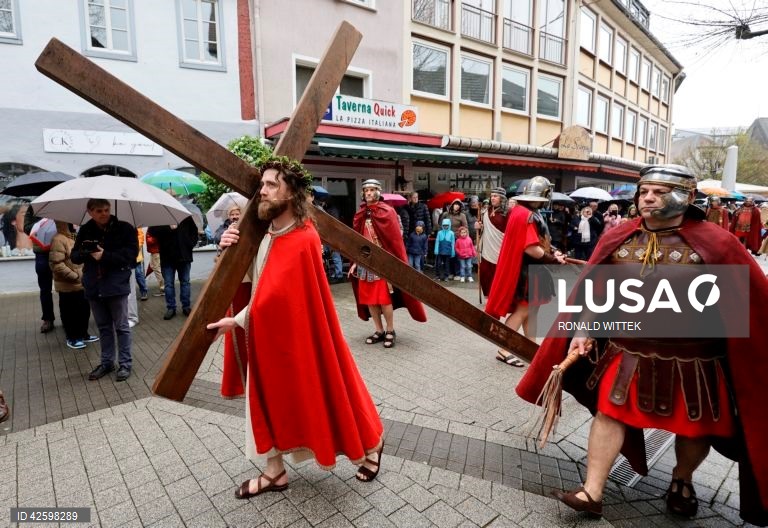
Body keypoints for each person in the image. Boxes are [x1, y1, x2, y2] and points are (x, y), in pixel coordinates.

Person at [517, 165, 768, 525]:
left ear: (685, 197)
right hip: (627, 350)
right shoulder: (620, 236)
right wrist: (582, 332)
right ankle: (593, 491)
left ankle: (682, 481)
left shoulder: (717, 242)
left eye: (659, 191)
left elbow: (747, 302)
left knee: (693, 426)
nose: (648, 197)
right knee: (609, 413)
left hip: (694, 358)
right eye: (644, 191)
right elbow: (596, 292)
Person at [206, 158, 385, 497]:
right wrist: (228, 248)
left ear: (293, 193)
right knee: (266, 399)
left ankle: (371, 446)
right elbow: (252, 283)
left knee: (332, 390)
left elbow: (277, 298)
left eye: (272, 185)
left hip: (295, 338)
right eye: (263, 185)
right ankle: (274, 472)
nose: (264, 191)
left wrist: (237, 321)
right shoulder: (262, 234)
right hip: (264, 338)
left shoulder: (304, 238)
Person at [485, 176, 566, 367]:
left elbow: (539, 241)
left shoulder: (523, 212)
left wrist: (553, 251)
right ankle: (503, 349)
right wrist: (554, 259)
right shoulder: (527, 215)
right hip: (528, 272)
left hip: (532, 271)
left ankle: (531, 348)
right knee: (523, 311)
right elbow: (531, 249)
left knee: (533, 312)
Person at [350, 179, 427, 349]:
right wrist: (355, 262)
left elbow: (394, 240)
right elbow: (356, 241)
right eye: (366, 190)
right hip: (364, 262)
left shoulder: (387, 211)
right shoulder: (361, 213)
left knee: (384, 299)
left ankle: (390, 330)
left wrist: (392, 263)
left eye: (371, 190)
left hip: (382, 263)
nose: (368, 193)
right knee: (370, 300)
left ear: (378, 191)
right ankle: (378, 330)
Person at [71, 199, 138, 382]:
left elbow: (130, 256)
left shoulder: (125, 228)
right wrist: (87, 252)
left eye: (107, 210)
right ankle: (107, 362)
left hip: (116, 285)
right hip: (93, 285)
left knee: (122, 327)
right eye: (99, 211)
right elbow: (74, 256)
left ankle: (125, 364)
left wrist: (104, 255)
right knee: (103, 327)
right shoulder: (85, 229)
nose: (104, 214)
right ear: (90, 211)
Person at [49, 221, 98, 349]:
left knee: (84, 310)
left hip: (81, 284)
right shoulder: (58, 239)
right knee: (70, 312)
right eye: (71, 224)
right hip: (68, 286)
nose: (75, 225)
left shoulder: (74, 238)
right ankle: (72, 337)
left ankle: (83, 334)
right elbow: (56, 264)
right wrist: (75, 276)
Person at [148, 216, 198, 320]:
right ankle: (171, 308)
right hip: (167, 257)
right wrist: (168, 227)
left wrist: (189, 244)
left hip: (184, 256)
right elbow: (152, 232)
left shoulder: (185, 215)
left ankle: (186, 307)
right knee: (169, 284)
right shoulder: (161, 216)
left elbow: (194, 231)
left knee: (185, 282)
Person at [23, 205, 55, 332]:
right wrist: (42, 224)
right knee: (45, 288)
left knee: (66, 286)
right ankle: (48, 319)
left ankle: (67, 318)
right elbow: (26, 228)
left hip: (61, 249)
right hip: (42, 251)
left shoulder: (62, 202)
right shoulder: (34, 206)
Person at [475, 187, 509, 298]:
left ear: (502, 198)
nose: (492, 198)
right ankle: (489, 297)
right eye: (492, 196)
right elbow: (482, 229)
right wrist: (478, 227)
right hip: (487, 248)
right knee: (485, 273)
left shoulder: (507, 213)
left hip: (500, 247)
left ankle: (498, 298)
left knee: (498, 275)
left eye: (496, 196)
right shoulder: (486, 211)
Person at [145, 229, 165, 296]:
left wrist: (148, 235)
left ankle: (163, 289)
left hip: (156, 252)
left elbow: (152, 240)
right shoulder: (153, 227)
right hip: (154, 251)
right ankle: (163, 287)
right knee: (153, 267)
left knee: (157, 269)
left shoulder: (154, 228)